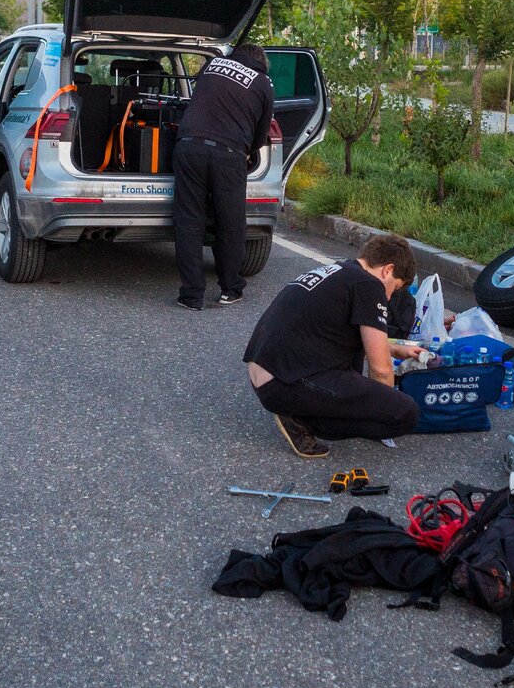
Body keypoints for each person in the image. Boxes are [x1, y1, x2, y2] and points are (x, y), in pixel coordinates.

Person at [243, 234, 426, 459]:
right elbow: (381, 370)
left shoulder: (342, 272)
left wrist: (398, 349)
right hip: (286, 382)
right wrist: (383, 405)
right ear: (388, 270)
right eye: (394, 288)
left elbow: (338, 332)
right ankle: (301, 421)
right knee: (406, 413)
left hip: (269, 374)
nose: (389, 298)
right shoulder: (370, 285)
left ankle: (299, 411)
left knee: (356, 344)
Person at [172, 43, 275, 311]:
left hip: (188, 147)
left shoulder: (211, 65)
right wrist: (247, 152)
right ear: (261, 62)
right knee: (230, 225)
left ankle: (191, 296)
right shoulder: (263, 83)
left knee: (189, 222)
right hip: (228, 155)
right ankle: (230, 289)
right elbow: (261, 136)